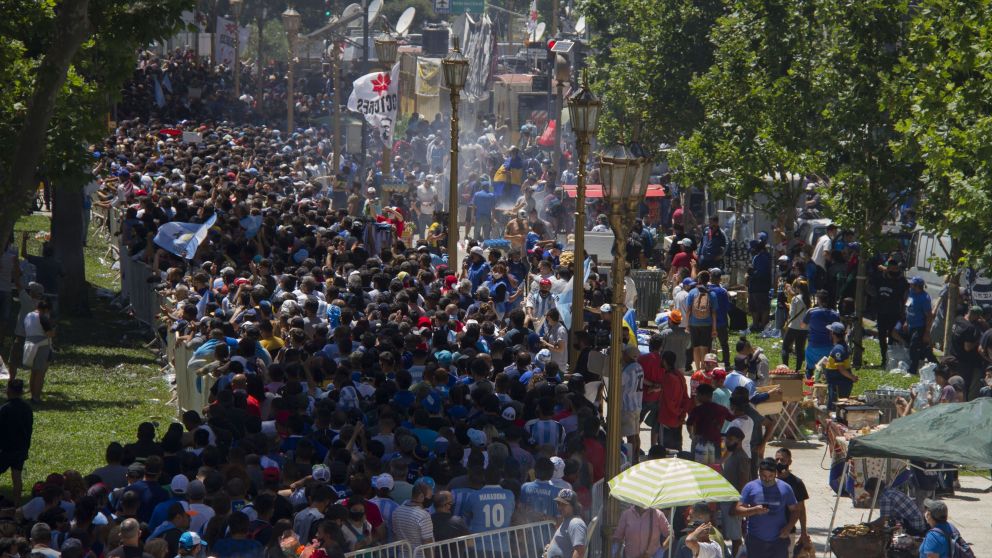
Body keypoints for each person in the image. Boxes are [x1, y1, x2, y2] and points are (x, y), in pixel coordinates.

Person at [735, 458, 800, 558]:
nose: (767, 479)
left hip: (779, 541)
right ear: (759, 473)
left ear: (776, 474)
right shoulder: (750, 487)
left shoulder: (786, 488)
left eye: (770, 476)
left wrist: (789, 527)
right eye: (763, 476)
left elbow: (795, 510)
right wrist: (754, 510)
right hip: (756, 540)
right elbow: (738, 510)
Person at [0, 379, 32, 505]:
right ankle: (17, 503)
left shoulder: (5, 409)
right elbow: (29, 428)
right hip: (21, 448)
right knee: (17, 476)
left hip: (6, 449)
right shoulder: (27, 408)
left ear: (9, 390)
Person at [774, 448, 810, 548]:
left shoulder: (796, 483)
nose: (779, 463)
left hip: (788, 531)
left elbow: (801, 510)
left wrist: (803, 533)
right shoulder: (769, 481)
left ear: (789, 462)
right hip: (769, 531)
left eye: (782, 460)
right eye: (777, 460)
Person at [23, 299, 55, 403]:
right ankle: (36, 397)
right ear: (45, 309)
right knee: (40, 373)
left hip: (29, 345)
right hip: (41, 346)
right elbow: (49, 333)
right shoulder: (42, 317)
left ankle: (32, 394)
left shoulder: (28, 315)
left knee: (33, 372)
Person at [802, 290, 840, 378]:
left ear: (818, 299)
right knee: (827, 370)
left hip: (813, 346)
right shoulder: (835, 314)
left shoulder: (811, 312)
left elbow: (803, 325)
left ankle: (810, 383)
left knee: (810, 369)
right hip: (829, 346)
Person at [686, 271, 718, 370]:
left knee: (695, 347)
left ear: (699, 280)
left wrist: (687, 326)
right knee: (704, 347)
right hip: (707, 324)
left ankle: (697, 370)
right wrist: (714, 329)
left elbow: (688, 311)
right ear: (708, 280)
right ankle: (704, 369)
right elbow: (713, 313)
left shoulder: (692, 292)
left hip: (693, 323)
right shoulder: (711, 294)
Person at [391, 477, 434, 549]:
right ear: (421, 496)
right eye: (429, 497)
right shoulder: (424, 516)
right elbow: (427, 544)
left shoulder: (397, 511)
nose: (430, 500)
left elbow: (395, 537)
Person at [620, 344, 645, 462]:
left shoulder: (628, 369)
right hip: (637, 405)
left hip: (628, 406)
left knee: (630, 437)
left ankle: (631, 460)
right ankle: (636, 458)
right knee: (636, 434)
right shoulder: (639, 366)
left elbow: (619, 385)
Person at [824, 322, 858, 408]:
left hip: (839, 385)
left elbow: (841, 369)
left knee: (836, 408)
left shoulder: (838, 349)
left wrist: (852, 377)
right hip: (836, 383)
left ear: (833, 334)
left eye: (830, 332)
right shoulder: (840, 346)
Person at [906, 276, 936, 375]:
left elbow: (929, 316)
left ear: (918, 286)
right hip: (911, 325)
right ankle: (935, 364)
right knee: (924, 348)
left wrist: (927, 332)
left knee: (913, 347)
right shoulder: (911, 293)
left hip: (919, 326)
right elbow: (908, 307)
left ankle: (912, 369)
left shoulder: (924, 298)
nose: (910, 286)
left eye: (913, 285)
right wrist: (906, 322)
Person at [544, 489, 586, 558]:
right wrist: (550, 548)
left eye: (563, 504)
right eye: (558, 503)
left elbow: (579, 552)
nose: (559, 507)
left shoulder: (576, 523)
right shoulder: (567, 520)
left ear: (573, 506)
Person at [782, 279, 810, 371]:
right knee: (800, 350)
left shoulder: (796, 298)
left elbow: (792, 314)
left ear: (798, 288)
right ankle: (797, 370)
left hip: (793, 326)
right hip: (804, 328)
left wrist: (789, 307)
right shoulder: (808, 299)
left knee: (785, 347)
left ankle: (785, 367)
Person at [709, 269, 732, 368]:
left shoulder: (706, 289)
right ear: (720, 279)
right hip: (721, 322)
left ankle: (709, 363)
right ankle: (726, 364)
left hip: (708, 322)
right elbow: (728, 307)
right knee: (724, 344)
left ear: (711, 278)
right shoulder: (723, 292)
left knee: (708, 344)